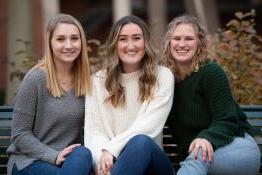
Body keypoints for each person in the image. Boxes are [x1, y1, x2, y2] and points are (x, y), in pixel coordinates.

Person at [163, 14, 261, 175]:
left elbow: (227, 120)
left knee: (198, 153)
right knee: (197, 155)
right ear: (169, 42)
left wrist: (206, 138)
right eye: (176, 38)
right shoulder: (166, 80)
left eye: (188, 39)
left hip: (237, 147)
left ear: (199, 43)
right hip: (198, 159)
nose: (182, 44)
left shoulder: (211, 73)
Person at [84, 15, 174, 175]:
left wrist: (111, 149)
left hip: (153, 166)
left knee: (140, 142)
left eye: (137, 38)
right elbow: (94, 133)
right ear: (114, 44)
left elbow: (149, 126)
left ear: (145, 43)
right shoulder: (97, 81)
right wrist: (102, 163)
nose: (130, 45)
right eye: (123, 39)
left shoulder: (162, 76)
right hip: (114, 165)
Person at [7, 14, 93, 175]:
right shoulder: (35, 80)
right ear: (50, 43)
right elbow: (19, 135)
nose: (69, 45)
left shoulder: (87, 81)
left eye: (74, 38)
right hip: (29, 161)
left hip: (71, 163)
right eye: (60, 39)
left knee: (83, 153)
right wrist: (53, 155)